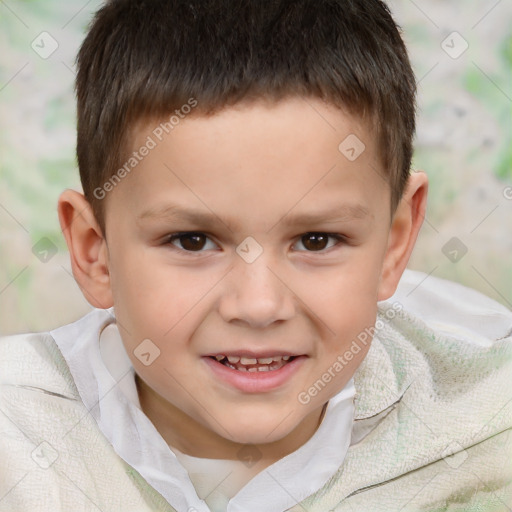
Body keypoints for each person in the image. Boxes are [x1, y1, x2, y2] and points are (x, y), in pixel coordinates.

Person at [1, 0, 511, 511]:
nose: (259, 305)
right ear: (97, 254)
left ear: (394, 244)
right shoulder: (19, 442)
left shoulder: (487, 424)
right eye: (192, 240)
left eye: (316, 240)